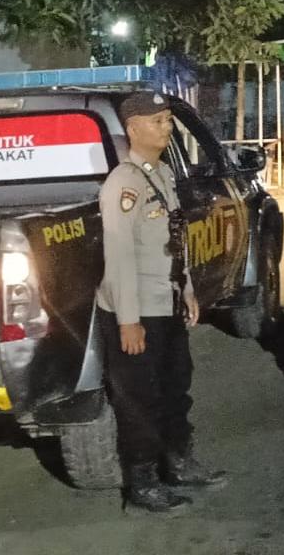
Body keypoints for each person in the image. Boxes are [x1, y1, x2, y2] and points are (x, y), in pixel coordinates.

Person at [97, 90, 226, 514]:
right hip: (137, 310)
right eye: (158, 121)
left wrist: (185, 289)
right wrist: (128, 321)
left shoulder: (162, 174)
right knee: (139, 399)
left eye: (168, 120)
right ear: (133, 129)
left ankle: (179, 463)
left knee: (175, 389)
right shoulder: (124, 184)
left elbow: (173, 240)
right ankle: (143, 482)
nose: (167, 127)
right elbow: (119, 257)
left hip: (166, 302)